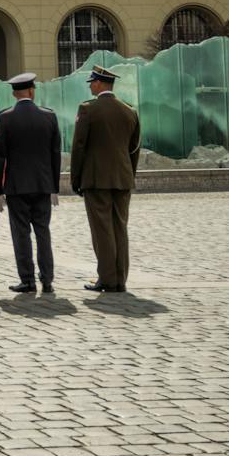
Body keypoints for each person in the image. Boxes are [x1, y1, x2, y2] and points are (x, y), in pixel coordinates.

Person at [70, 63, 141, 293]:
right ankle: (120, 278)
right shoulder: (129, 110)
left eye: (92, 82)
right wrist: (129, 173)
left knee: (102, 230)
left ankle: (107, 279)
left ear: (99, 83)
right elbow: (134, 148)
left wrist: (76, 178)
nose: (91, 86)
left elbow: (79, 147)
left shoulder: (88, 109)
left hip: (96, 178)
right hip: (123, 177)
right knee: (120, 227)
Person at [0, 72, 60, 294]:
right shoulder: (49, 116)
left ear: (14, 93)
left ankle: (28, 280)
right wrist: (55, 187)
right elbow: (55, 154)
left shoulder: (5, 118)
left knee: (21, 234)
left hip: (17, 186)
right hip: (43, 185)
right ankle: (48, 279)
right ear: (32, 91)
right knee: (43, 232)